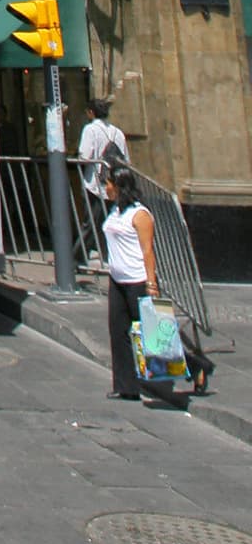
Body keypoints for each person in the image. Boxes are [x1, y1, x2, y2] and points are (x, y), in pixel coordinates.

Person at [102, 164, 159, 400]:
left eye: (108, 183)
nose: (106, 188)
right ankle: (126, 386)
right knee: (119, 332)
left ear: (119, 186)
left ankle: (194, 366)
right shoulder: (116, 211)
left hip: (137, 281)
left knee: (152, 335)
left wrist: (152, 284)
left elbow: (148, 251)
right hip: (117, 280)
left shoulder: (140, 214)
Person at [78, 98, 128, 225]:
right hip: (115, 183)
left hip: (94, 183)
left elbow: (84, 157)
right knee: (112, 221)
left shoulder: (90, 129)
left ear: (91, 112)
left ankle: (87, 245)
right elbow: (126, 159)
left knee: (91, 224)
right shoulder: (118, 132)